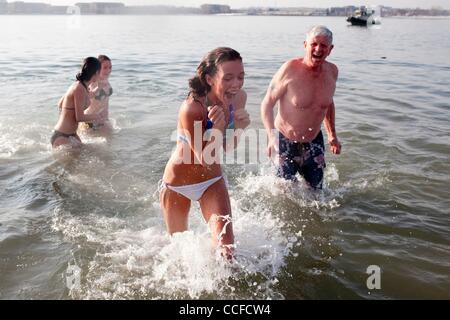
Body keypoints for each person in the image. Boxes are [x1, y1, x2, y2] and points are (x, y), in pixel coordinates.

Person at [160, 47, 250, 259]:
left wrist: (238, 128)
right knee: (178, 254)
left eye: (241, 76)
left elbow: (227, 148)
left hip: (211, 181)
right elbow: (204, 159)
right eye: (228, 78)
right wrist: (218, 128)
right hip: (178, 185)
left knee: (227, 253)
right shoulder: (192, 108)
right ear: (210, 79)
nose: (236, 84)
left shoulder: (238, 98)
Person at [260, 25, 342, 189]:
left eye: (324, 46)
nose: (318, 49)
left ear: (330, 49)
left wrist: (332, 135)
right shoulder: (289, 69)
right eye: (314, 44)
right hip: (284, 140)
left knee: (317, 192)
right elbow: (267, 104)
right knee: (285, 193)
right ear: (306, 45)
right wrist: (271, 136)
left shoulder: (332, 71)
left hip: (314, 141)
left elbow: (327, 103)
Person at [51, 57, 104, 148]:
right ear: (96, 72)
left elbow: (60, 104)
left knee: (90, 153)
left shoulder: (81, 86)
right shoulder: (79, 88)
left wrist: (98, 88)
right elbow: (79, 117)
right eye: (100, 72)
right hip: (62, 136)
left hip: (71, 135)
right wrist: (97, 116)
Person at [82, 55, 113, 133]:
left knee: (110, 143)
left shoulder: (106, 80)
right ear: (97, 69)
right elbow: (85, 97)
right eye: (105, 68)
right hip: (90, 121)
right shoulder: (93, 82)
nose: (108, 70)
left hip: (103, 120)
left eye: (110, 67)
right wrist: (98, 88)